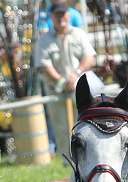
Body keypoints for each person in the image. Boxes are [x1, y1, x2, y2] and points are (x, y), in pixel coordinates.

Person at [34, 1, 96, 161]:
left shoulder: (79, 34)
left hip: (79, 86)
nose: (61, 17)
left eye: (63, 14)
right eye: (57, 15)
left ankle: (87, 157)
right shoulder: (44, 40)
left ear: (69, 16)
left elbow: (89, 57)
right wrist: (63, 81)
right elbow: (44, 65)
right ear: (51, 17)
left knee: (84, 123)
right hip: (56, 88)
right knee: (61, 127)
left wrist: (75, 75)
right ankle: (67, 162)